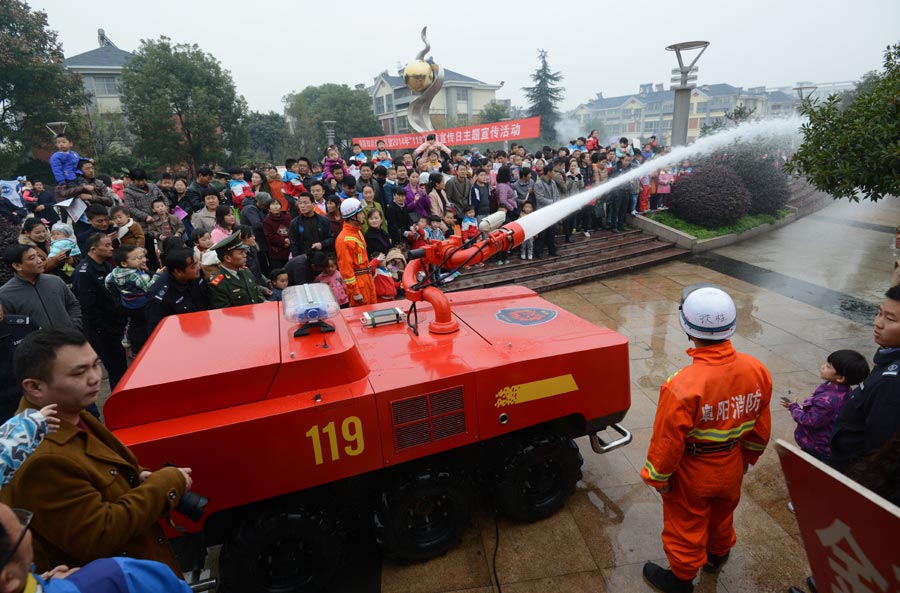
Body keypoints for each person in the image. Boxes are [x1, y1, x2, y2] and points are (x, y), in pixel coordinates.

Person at [1, 329, 192, 577]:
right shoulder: (42, 457)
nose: (94, 378)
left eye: (96, 365)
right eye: (79, 372)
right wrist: (167, 482)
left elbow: (102, 469)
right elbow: (98, 535)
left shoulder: (70, 413)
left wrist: (137, 476)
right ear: (35, 387)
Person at [641, 286, 772, 593]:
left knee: (685, 524)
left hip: (693, 471)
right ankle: (717, 555)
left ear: (687, 329)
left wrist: (658, 476)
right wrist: (746, 459)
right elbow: (761, 427)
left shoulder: (682, 385)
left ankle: (681, 580)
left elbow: (668, 442)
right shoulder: (757, 370)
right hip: (732, 463)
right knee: (722, 515)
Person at [829, 285, 900, 471]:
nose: (878, 323)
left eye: (890, 319)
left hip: (851, 469)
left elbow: (878, 445)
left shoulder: (891, 383)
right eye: (879, 313)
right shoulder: (888, 353)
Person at [780, 350, 869, 461]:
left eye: (828, 366)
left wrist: (794, 408)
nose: (823, 366)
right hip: (826, 440)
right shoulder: (844, 390)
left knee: (810, 465)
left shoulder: (827, 400)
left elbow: (810, 421)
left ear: (840, 378)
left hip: (817, 447)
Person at [72, 233, 127, 390]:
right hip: (102, 330)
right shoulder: (84, 273)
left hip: (115, 324)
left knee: (122, 367)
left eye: (111, 244)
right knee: (116, 370)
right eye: (107, 245)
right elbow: (87, 306)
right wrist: (103, 328)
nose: (111, 248)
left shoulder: (106, 265)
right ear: (93, 249)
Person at [0, 244, 82, 331]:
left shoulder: (55, 281)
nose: (39, 261)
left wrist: (75, 326)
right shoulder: (5, 294)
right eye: (32, 258)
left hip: (70, 337)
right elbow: (7, 325)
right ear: (17, 266)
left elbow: (73, 305)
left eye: (38, 256)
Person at [105, 246, 160, 355]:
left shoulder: (115, 272)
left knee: (132, 321)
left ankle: (127, 336)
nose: (142, 260)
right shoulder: (136, 276)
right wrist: (157, 275)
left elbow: (107, 282)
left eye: (142, 257)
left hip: (127, 303)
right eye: (136, 258)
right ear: (124, 263)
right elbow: (149, 288)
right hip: (142, 305)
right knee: (144, 324)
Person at [146, 247, 209, 335]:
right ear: (178, 271)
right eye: (193, 266)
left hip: (204, 327)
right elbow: (157, 331)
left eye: (197, 262)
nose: (198, 267)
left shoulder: (197, 274)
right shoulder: (160, 296)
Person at [207, 232, 266, 309]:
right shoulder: (218, 284)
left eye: (244, 252)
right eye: (241, 253)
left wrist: (264, 302)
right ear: (227, 258)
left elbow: (256, 293)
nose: (245, 255)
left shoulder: (246, 271)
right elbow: (224, 312)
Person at [335, 198, 376, 307]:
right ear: (353, 216)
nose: (363, 215)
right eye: (360, 213)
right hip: (359, 284)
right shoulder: (343, 239)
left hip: (367, 280)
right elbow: (346, 269)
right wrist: (355, 291)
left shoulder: (357, 232)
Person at [289, 193, 334, 258]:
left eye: (305, 203)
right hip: (304, 258)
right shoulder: (294, 223)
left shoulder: (324, 221)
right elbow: (294, 244)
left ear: (313, 204)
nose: (302, 206)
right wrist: (298, 259)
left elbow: (331, 238)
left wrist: (322, 244)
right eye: (300, 203)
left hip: (323, 257)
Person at [533, 167, 561, 258]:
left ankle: (552, 250)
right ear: (548, 172)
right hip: (543, 212)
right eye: (553, 171)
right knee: (542, 234)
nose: (554, 173)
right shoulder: (538, 183)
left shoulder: (553, 182)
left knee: (552, 233)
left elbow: (557, 194)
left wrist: (557, 203)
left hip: (552, 211)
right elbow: (540, 198)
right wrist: (553, 202)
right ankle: (539, 252)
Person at [263, 199, 292, 269]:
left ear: (281, 207)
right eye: (273, 205)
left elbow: (293, 231)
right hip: (276, 253)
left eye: (277, 204)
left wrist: (290, 240)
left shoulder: (288, 218)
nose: (275, 206)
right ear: (269, 209)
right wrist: (284, 241)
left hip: (290, 250)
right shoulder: (267, 221)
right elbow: (269, 236)